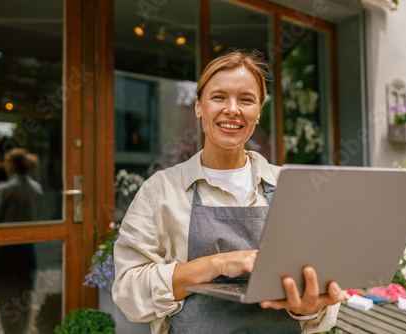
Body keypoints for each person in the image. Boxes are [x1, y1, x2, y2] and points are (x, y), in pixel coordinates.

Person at [112, 50, 345, 333]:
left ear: (259, 112)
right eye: (218, 97)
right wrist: (218, 263)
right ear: (199, 106)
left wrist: (307, 306)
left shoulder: (291, 186)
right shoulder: (160, 191)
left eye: (246, 99)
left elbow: (321, 278)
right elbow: (128, 290)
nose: (232, 109)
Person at [0, 148, 43, 334]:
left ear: (11, 165)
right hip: (27, 253)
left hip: (5, 254)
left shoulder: (4, 189)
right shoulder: (36, 189)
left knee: (7, 305)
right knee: (24, 302)